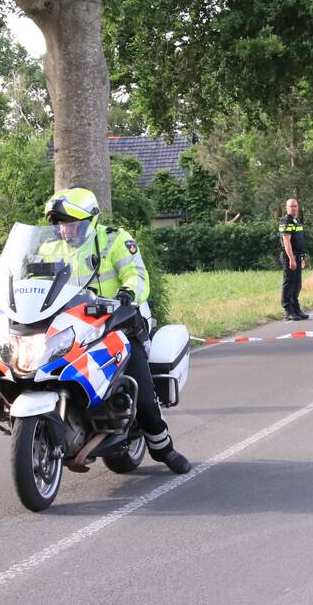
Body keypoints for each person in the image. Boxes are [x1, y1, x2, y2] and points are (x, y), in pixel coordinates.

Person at [43, 187, 191, 474]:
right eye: (60, 224)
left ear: (90, 221)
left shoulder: (114, 240)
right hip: (71, 329)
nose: (64, 230)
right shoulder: (50, 249)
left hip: (118, 323)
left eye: (71, 224)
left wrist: (127, 294)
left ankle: (163, 448)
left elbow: (137, 275)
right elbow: (31, 281)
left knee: (141, 392)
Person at [279, 197, 308, 321]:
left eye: (295, 206)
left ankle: (296, 309)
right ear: (287, 208)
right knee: (289, 283)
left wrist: (302, 257)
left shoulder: (296, 221)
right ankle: (288, 310)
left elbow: (299, 240)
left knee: (297, 284)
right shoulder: (286, 222)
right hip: (290, 256)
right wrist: (291, 259)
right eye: (291, 206)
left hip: (298, 256)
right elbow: (287, 243)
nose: (294, 208)